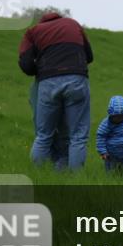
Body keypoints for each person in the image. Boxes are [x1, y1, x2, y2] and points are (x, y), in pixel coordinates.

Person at [18, 12, 94, 169]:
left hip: (48, 83)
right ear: (60, 18)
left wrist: (41, 68)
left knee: (44, 135)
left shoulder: (33, 31)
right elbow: (89, 56)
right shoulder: (73, 24)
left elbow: (25, 64)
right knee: (78, 136)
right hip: (76, 80)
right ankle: (75, 180)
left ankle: (38, 175)